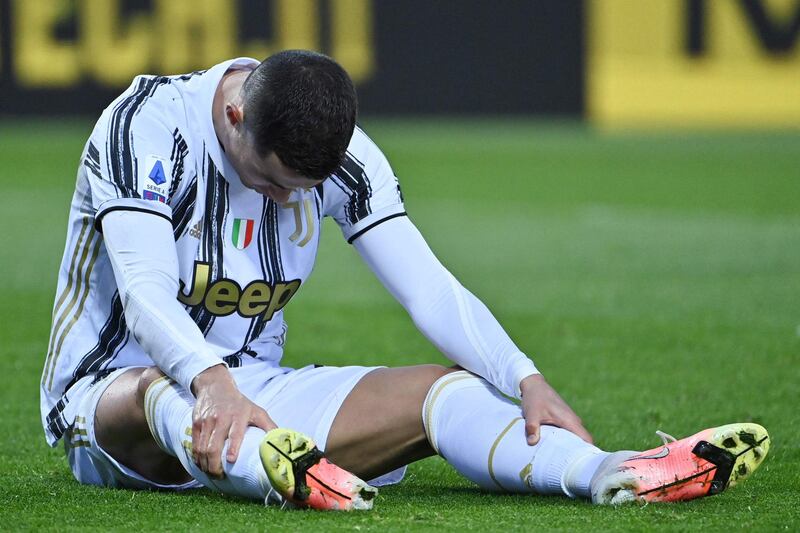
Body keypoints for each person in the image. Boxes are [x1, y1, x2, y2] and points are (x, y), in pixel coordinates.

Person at [41, 50, 769, 510]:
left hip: (252, 388)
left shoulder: (341, 154)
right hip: (111, 398)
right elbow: (142, 294)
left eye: (301, 190)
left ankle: (615, 473)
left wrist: (522, 374)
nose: (286, 202)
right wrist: (211, 382)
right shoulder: (145, 128)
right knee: (154, 390)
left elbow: (427, 286)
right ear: (234, 117)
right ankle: (272, 466)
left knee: (444, 390)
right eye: (270, 183)